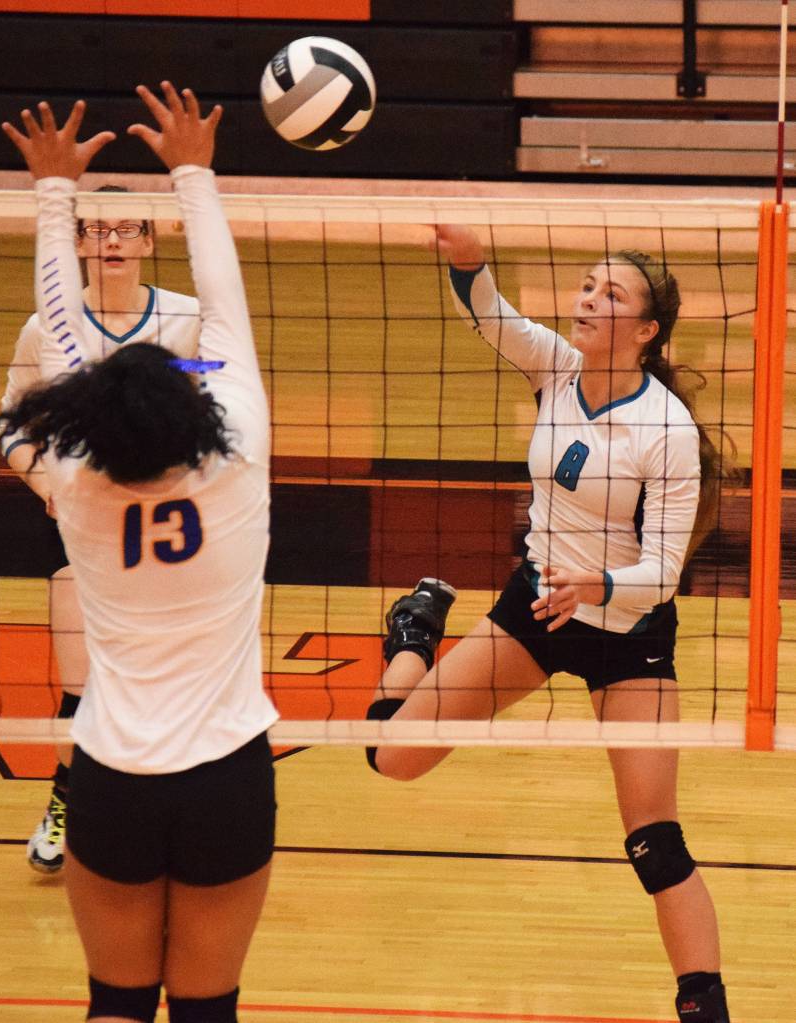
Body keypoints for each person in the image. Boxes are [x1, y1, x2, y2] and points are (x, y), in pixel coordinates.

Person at [365, 225, 732, 1023]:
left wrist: (595, 582)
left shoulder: (664, 429)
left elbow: (663, 576)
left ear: (645, 332)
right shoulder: (558, 367)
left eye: (612, 294)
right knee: (390, 756)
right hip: (536, 608)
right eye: (589, 285)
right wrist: (469, 263)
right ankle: (413, 633)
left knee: (655, 843)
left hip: (627, 629)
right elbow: (491, 316)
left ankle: (704, 1008)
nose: (590, 298)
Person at [0, 83, 274, 1023]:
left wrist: (50, 194)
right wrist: (194, 170)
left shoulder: (77, 483)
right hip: (230, 773)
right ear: (194, 403)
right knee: (209, 1012)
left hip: (112, 775)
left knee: (114, 1007)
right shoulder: (240, 460)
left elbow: (64, 359)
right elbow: (225, 312)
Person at [0, 180, 200, 874]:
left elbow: (219, 413)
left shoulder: (189, 322)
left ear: (150, 239)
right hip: (83, 537)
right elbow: (10, 425)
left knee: (170, 685)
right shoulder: (48, 327)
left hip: (173, 538)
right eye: (95, 229)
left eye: (125, 229)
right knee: (80, 689)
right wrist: (43, 480)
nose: (110, 241)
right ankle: (67, 796)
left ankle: (173, 813)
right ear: (79, 241)